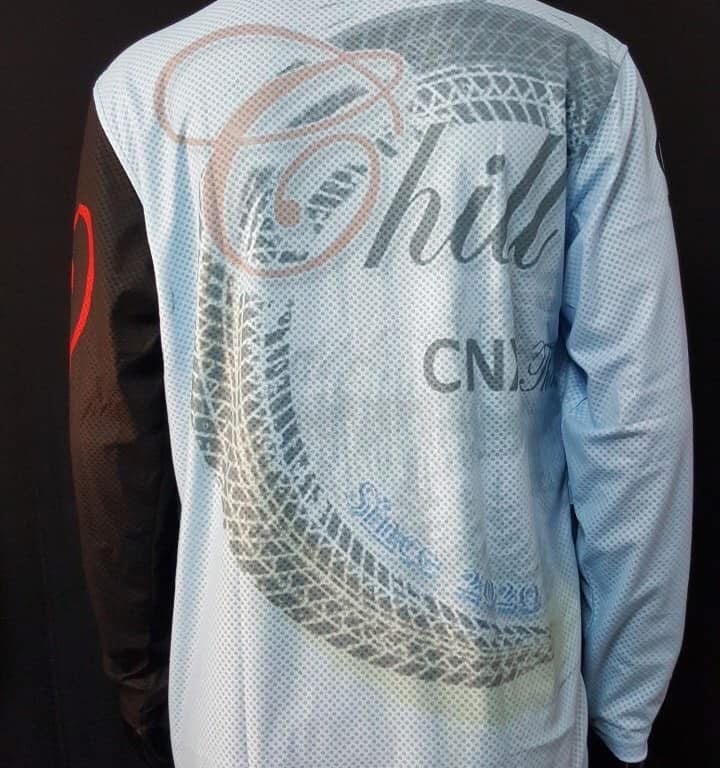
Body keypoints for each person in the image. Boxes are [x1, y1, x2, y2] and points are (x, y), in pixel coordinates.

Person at [68, 1, 693, 766]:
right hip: (508, 730)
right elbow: (636, 424)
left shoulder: (149, 89)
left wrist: (142, 686)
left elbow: (111, 438)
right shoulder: (581, 68)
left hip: (242, 720)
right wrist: (624, 702)